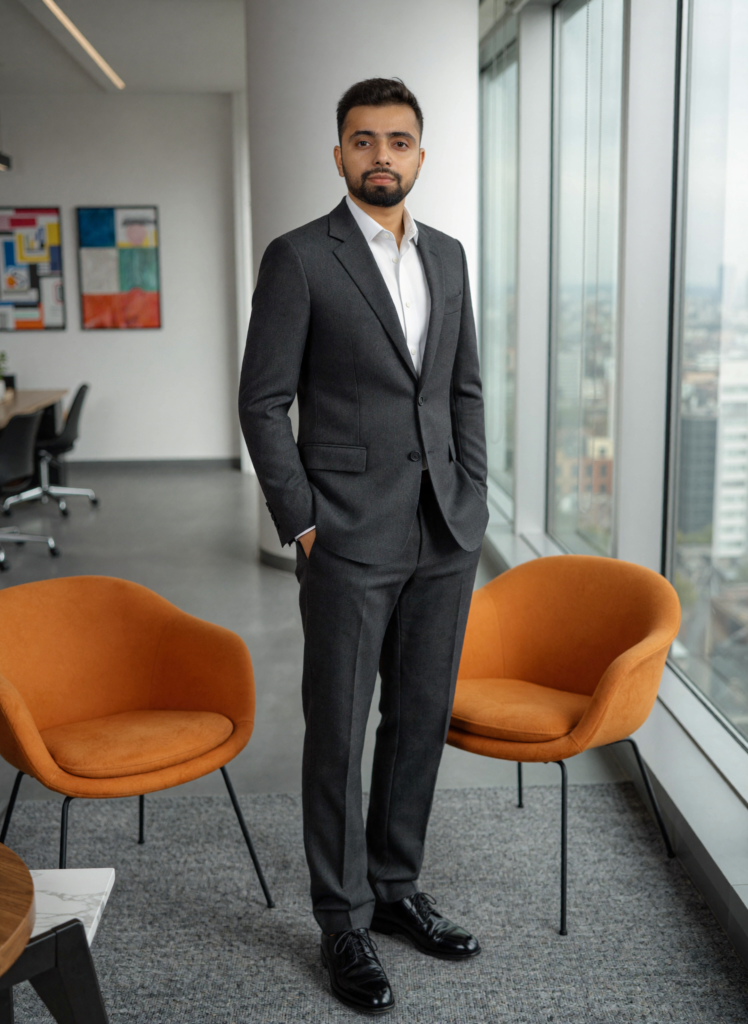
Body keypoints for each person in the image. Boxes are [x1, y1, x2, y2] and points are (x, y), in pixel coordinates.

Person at [239, 77, 488, 1014]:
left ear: (421, 155)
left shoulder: (452, 258)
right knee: (340, 732)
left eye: (398, 140)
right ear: (338, 154)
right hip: (345, 533)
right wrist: (303, 522)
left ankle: (394, 891)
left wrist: (476, 491)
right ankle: (339, 921)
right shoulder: (301, 258)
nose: (381, 154)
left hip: (444, 530)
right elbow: (262, 400)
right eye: (362, 140)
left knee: (418, 719)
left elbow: (463, 388)